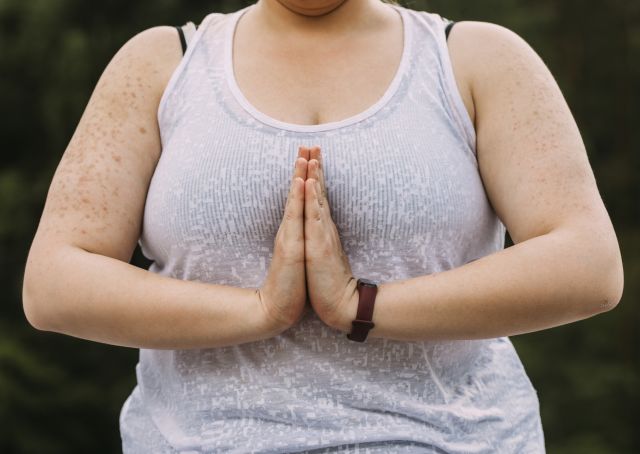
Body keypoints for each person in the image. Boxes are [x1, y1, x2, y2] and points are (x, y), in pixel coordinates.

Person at [22, 0, 624, 452]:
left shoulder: (476, 58)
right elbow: (55, 280)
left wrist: (359, 306)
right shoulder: (159, 64)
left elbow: (587, 265)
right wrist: (260, 311)